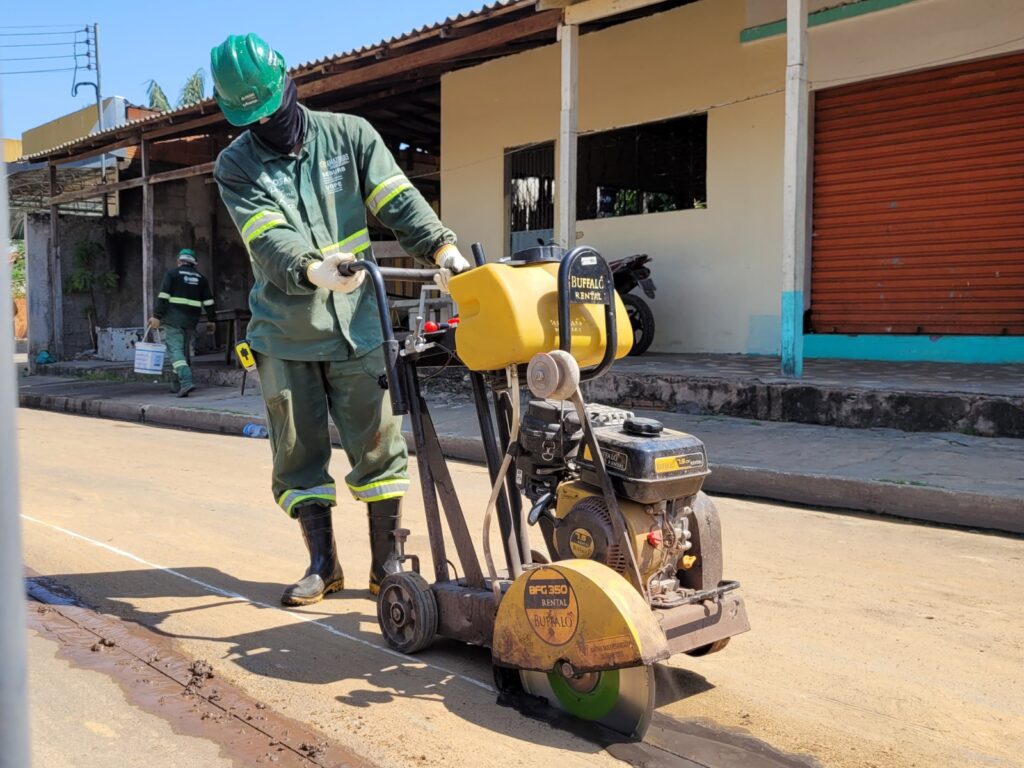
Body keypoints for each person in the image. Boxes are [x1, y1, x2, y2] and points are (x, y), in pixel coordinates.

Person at [210, 33, 471, 606]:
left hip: (360, 326)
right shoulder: (236, 165)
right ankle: (323, 564)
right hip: (286, 331)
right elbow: (264, 235)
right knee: (298, 452)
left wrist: (441, 251)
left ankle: (387, 564)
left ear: (288, 85)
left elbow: (397, 199)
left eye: (270, 109)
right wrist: (309, 270)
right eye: (252, 118)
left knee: (379, 444)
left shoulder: (349, 136)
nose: (266, 123)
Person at [148, 248, 216, 398]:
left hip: (173, 319)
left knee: (175, 351)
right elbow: (209, 302)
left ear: (179, 261)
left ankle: (186, 381)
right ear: (194, 263)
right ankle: (176, 384)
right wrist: (211, 320)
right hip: (191, 320)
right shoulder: (201, 278)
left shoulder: (172, 274)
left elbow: (164, 296)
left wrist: (156, 316)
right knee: (183, 352)